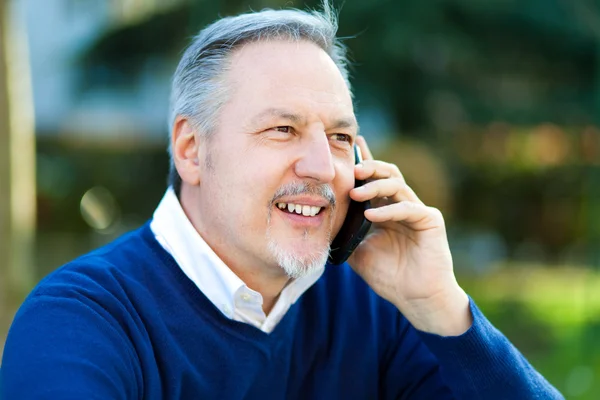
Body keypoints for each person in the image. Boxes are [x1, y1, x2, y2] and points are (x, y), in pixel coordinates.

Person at [1, 2, 564, 399]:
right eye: (282, 130)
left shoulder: (376, 312)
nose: (322, 167)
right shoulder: (81, 322)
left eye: (340, 138)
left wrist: (441, 305)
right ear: (192, 150)